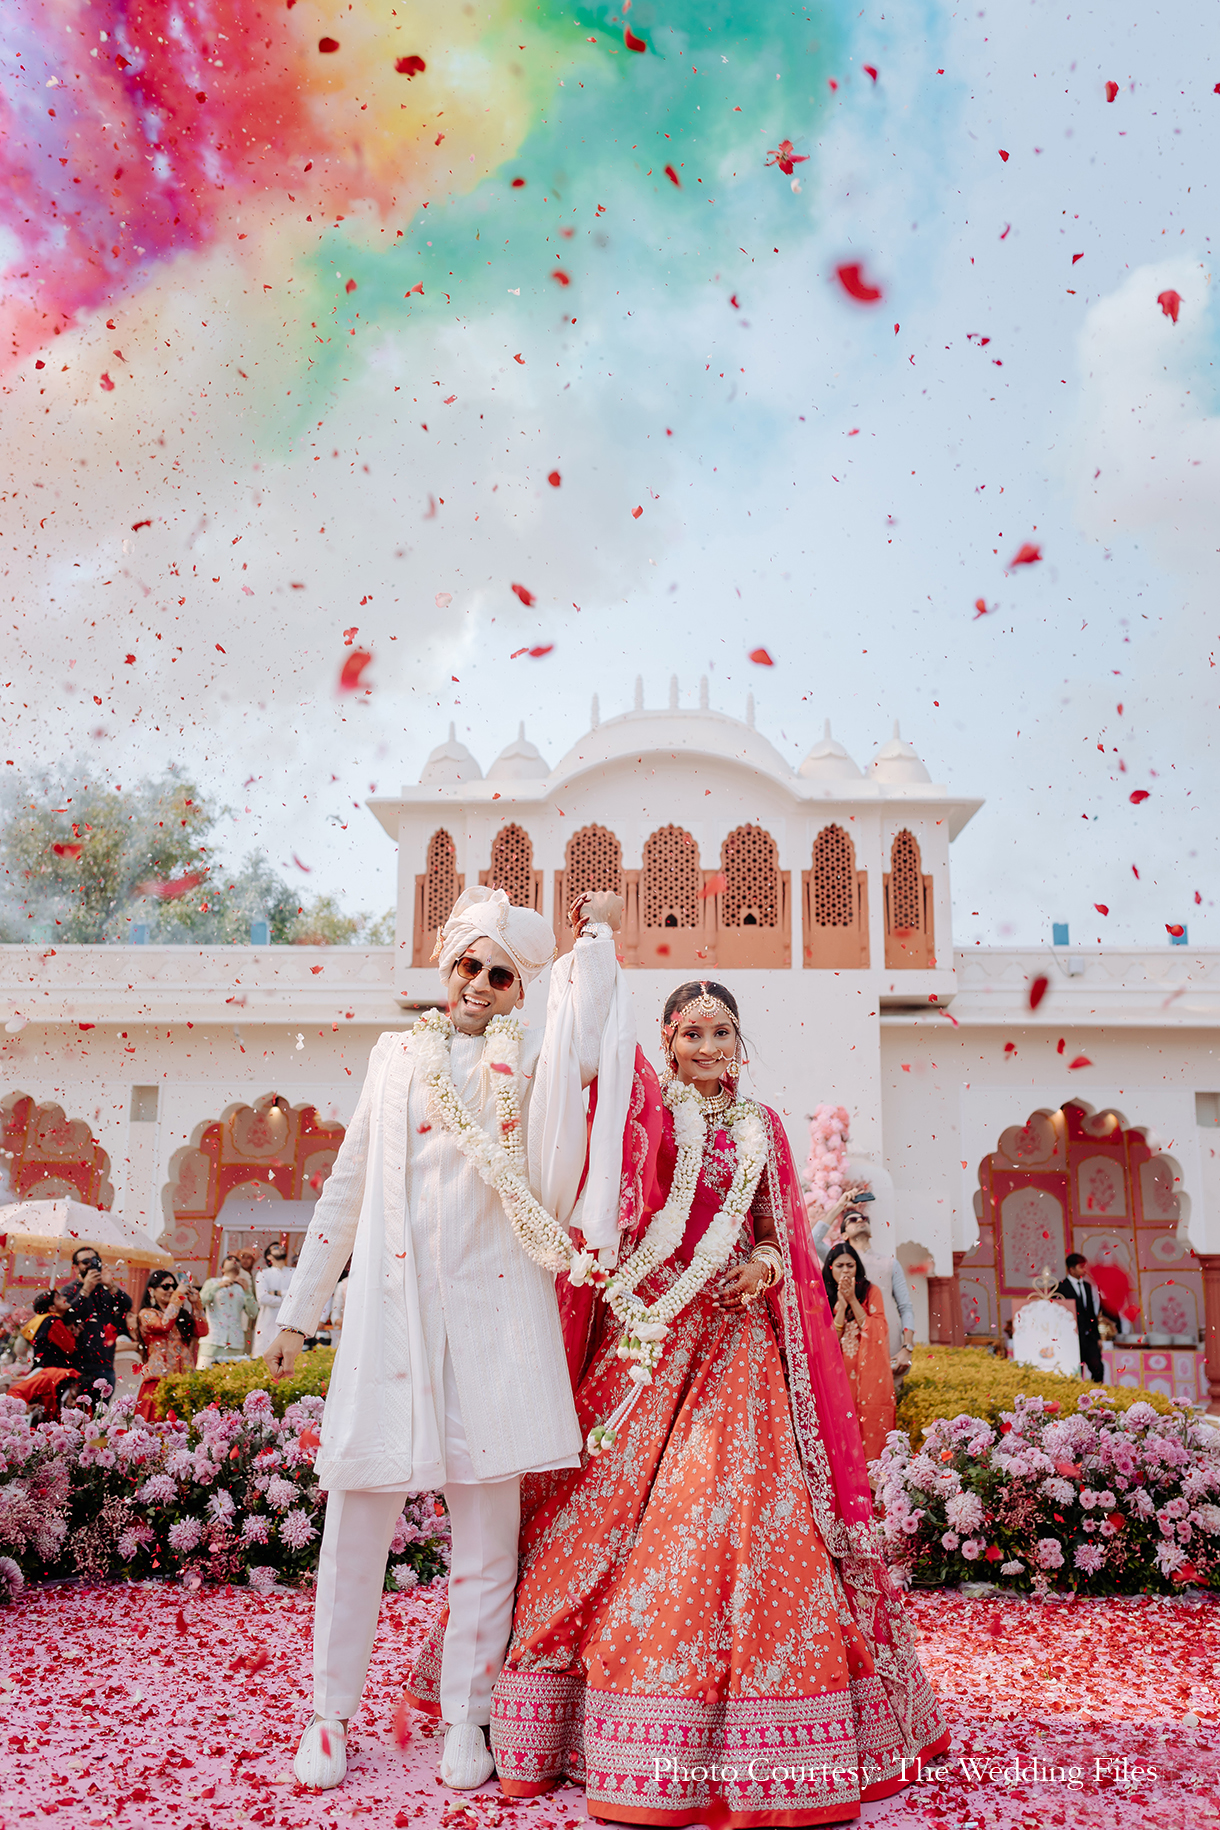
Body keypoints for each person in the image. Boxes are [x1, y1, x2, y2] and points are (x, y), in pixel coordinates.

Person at [464, 979, 947, 1826]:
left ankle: (767, 1743)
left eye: (723, 1031)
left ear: (740, 1040)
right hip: (650, 1334)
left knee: (751, 1511)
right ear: (669, 1040)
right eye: (692, 1033)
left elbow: (778, 1235)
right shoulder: (642, 1118)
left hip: (737, 1348)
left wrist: (760, 1268)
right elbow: (611, 1203)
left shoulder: (762, 1128)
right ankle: (568, 1721)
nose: (710, 1046)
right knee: (601, 1512)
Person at [263, 885, 636, 1794]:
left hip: (494, 1328)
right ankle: (329, 1713)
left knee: (486, 1539)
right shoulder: (396, 1058)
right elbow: (347, 1186)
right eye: (469, 965)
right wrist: (297, 1312)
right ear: (447, 968)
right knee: (356, 1519)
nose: (480, 983)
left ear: (520, 991)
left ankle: (468, 1718)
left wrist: (597, 939)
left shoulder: (534, 1067)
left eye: (501, 974)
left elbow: (590, 1040)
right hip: (394, 1317)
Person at [811, 1195, 917, 1375]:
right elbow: (812, 1241)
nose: (860, 1220)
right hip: (849, 1345)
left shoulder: (889, 1264)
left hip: (885, 1341)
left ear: (871, 1230)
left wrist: (907, 1348)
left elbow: (905, 1307)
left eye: (864, 1219)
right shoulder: (840, 1260)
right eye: (852, 1220)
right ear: (843, 1234)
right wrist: (839, 1205)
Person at [824, 1239, 897, 1465]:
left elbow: (878, 1329)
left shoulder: (870, 1291)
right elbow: (825, 1343)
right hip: (836, 1374)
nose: (845, 1270)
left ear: (858, 1267)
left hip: (868, 1375)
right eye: (840, 1266)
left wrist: (853, 1300)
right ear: (830, 1268)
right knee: (839, 1428)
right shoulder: (822, 1294)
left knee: (870, 1427)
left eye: (850, 1265)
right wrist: (841, 1307)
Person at [60, 1246, 133, 1398]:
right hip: (78, 1368)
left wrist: (110, 1284)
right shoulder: (69, 1290)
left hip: (106, 1366)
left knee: (101, 1418)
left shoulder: (105, 1289)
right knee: (77, 1418)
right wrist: (86, 1289)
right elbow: (68, 1317)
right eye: (85, 1262)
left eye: (95, 1261)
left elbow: (127, 1305)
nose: (91, 1265)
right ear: (76, 1267)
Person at [133, 1272, 204, 1420]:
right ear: (151, 1291)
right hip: (159, 1380)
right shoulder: (146, 1314)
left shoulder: (181, 1315)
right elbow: (164, 1324)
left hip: (184, 1380)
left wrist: (196, 1304)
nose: (171, 1290)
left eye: (174, 1286)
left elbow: (202, 1331)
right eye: (165, 1286)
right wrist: (178, 1297)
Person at [198, 1256, 258, 1368]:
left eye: (236, 1261)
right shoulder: (212, 1282)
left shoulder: (243, 1288)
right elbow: (200, 1302)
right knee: (203, 1378)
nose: (234, 1261)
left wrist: (248, 1292)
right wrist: (217, 1286)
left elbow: (253, 1313)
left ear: (239, 1269)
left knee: (230, 1381)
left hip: (235, 1342)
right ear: (222, 1269)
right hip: (212, 1340)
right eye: (230, 1259)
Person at [1056, 1253, 1104, 1382]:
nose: (1084, 1270)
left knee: (1098, 1368)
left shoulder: (1088, 1287)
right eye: (1080, 1267)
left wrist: (1097, 1336)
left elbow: (1092, 1313)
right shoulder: (1060, 1287)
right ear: (1071, 1269)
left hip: (1089, 1337)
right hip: (1071, 1337)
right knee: (1075, 1371)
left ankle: (1097, 1395)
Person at [21, 1290, 81, 1372]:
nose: (65, 1298)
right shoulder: (54, 1322)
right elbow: (69, 1349)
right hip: (54, 1372)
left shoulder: (44, 1321)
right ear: (52, 1308)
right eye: (59, 1298)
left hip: (45, 1370)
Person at [253, 1242, 293, 1357]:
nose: (280, 1248)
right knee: (264, 1354)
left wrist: (277, 1293)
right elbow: (263, 1298)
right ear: (269, 1256)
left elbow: (297, 1296)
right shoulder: (263, 1274)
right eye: (276, 1248)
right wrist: (288, 1299)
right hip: (268, 1321)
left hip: (288, 1320)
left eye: (282, 1247)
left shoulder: (294, 1272)